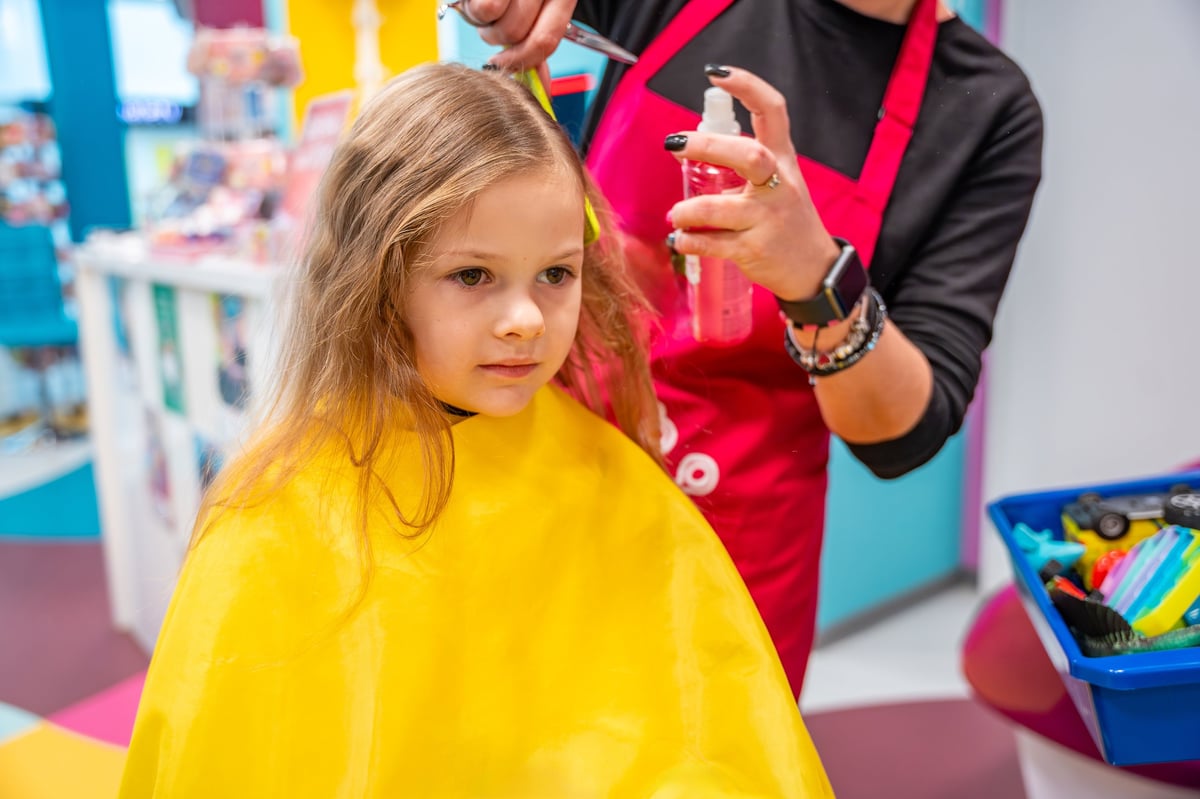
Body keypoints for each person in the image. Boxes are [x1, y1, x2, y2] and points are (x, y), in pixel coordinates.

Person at [117, 63, 835, 797]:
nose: (525, 318)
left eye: (555, 274)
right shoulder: (279, 515)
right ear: (377, 274)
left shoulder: (608, 480)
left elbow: (701, 742)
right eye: (473, 276)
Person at [468, 0, 1044, 695]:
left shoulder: (984, 108)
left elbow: (900, 434)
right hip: (538, 473)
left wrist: (817, 280)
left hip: (735, 545)